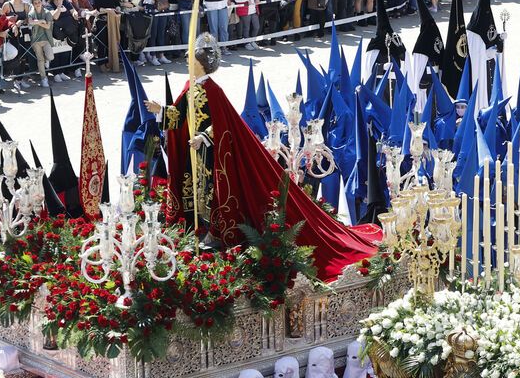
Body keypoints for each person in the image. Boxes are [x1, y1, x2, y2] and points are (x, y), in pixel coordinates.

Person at [146, 33, 382, 280]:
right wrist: (160, 110)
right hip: (194, 154)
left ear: (201, 62)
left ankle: (216, 232)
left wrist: (204, 137)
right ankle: (201, 227)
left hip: (211, 153)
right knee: (197, 190)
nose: (186, 61)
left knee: (212, 192)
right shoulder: (189, 87)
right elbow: (179, 115)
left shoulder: (213, 91)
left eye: (191, 58)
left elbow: (223, 123)